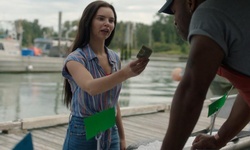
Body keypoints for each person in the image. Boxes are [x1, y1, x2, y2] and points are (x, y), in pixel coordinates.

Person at [158, 0, 250, 149]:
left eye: (174, 12)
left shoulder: (209, 11)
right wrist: (218, 140)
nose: (174, 22)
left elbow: (191, 91)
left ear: (190, 3)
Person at [61, 1, 149, 150]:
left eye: (111, 20)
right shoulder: (75, 59)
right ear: (88, 22)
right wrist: (125, 73)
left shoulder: (114, 58)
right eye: (101, 19)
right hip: (83, 130)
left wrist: (121, 137)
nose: (107, 24)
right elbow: (91, 87)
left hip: (109, 128)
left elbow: (114, 102)